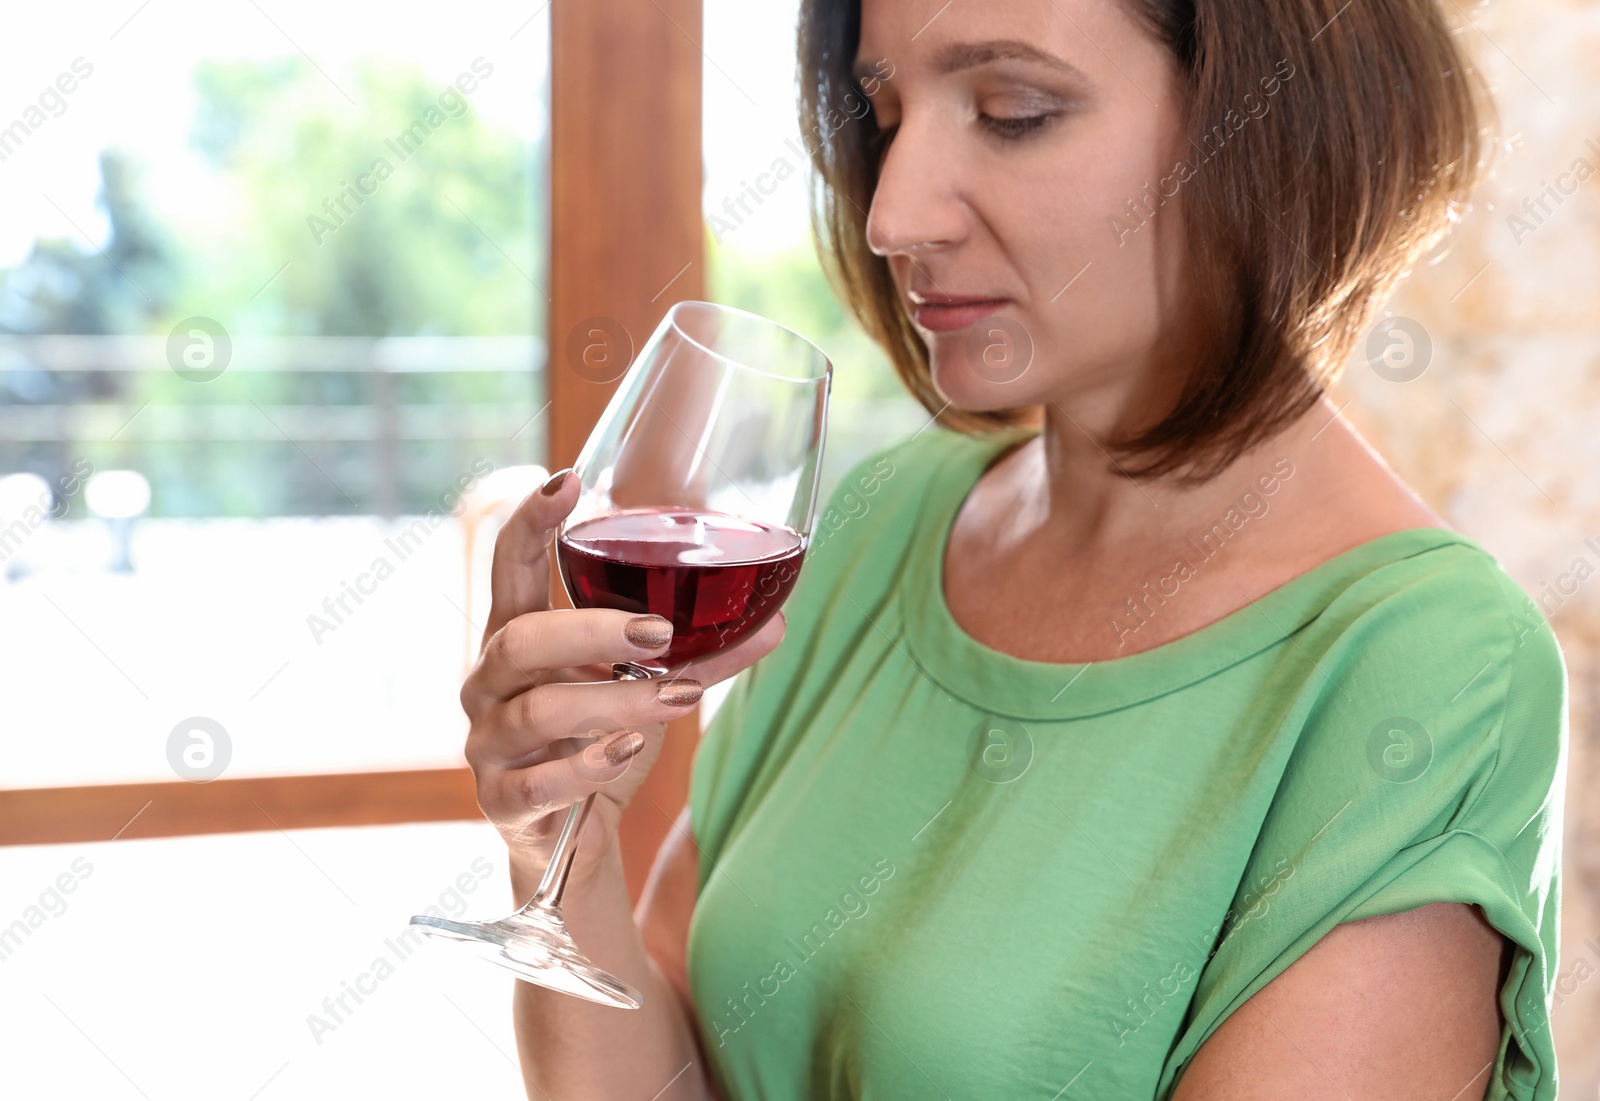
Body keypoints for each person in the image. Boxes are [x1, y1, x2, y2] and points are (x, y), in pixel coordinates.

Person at [460, 0, 1568, 1097]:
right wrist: (568, 858)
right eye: (884, 115)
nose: (891, 214)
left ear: (1276, 132)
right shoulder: (877, 522)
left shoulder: (1425, 662)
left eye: (1013, 111)